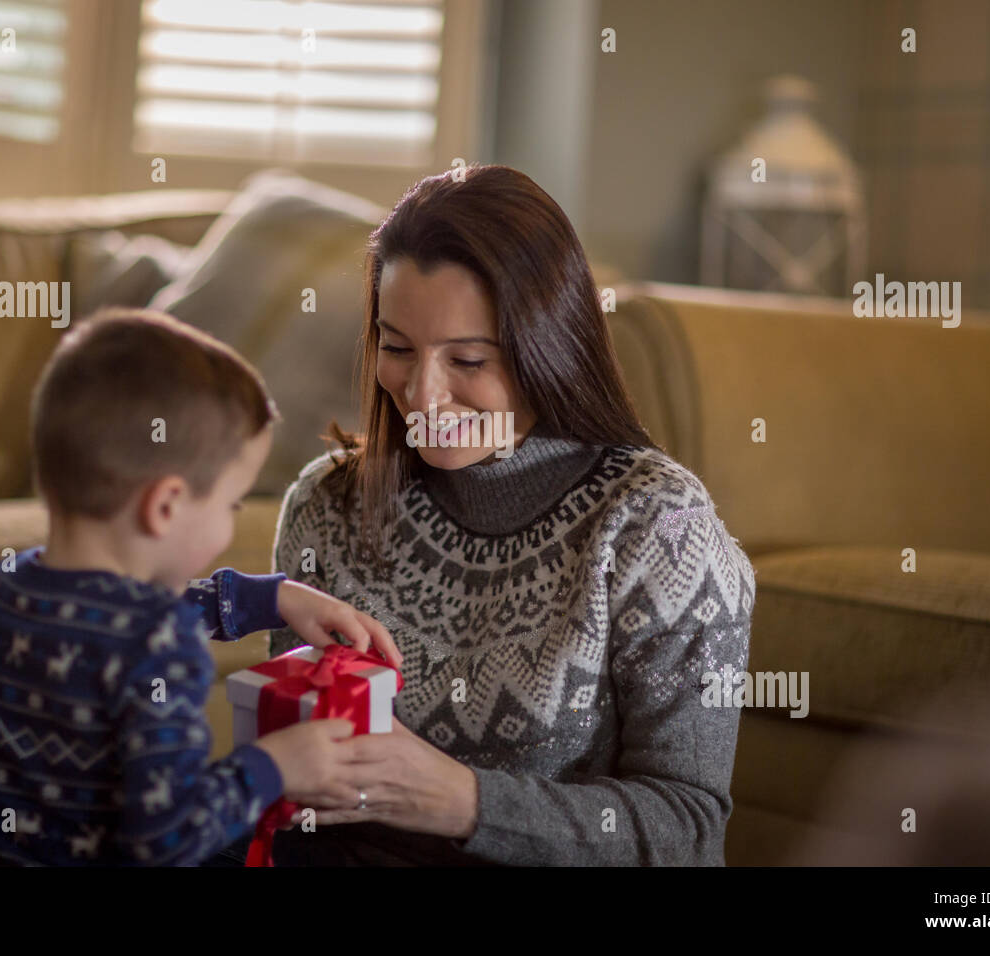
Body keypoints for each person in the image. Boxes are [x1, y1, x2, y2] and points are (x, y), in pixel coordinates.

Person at [222, 163, 758, 865]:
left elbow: (688, 829)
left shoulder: (658, 528)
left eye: (468, 359)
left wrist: (463, 801)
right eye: (396, 348)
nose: (423, 395)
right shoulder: (325, 505)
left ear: (551, 349)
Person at [0, 308, 400, 866]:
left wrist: (269, 598)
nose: (231, 521)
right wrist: (275, 765)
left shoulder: (7, 586)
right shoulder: (160, 643)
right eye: (229, 503)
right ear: (164, 506)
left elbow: (107, 627)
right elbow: (166, 840)